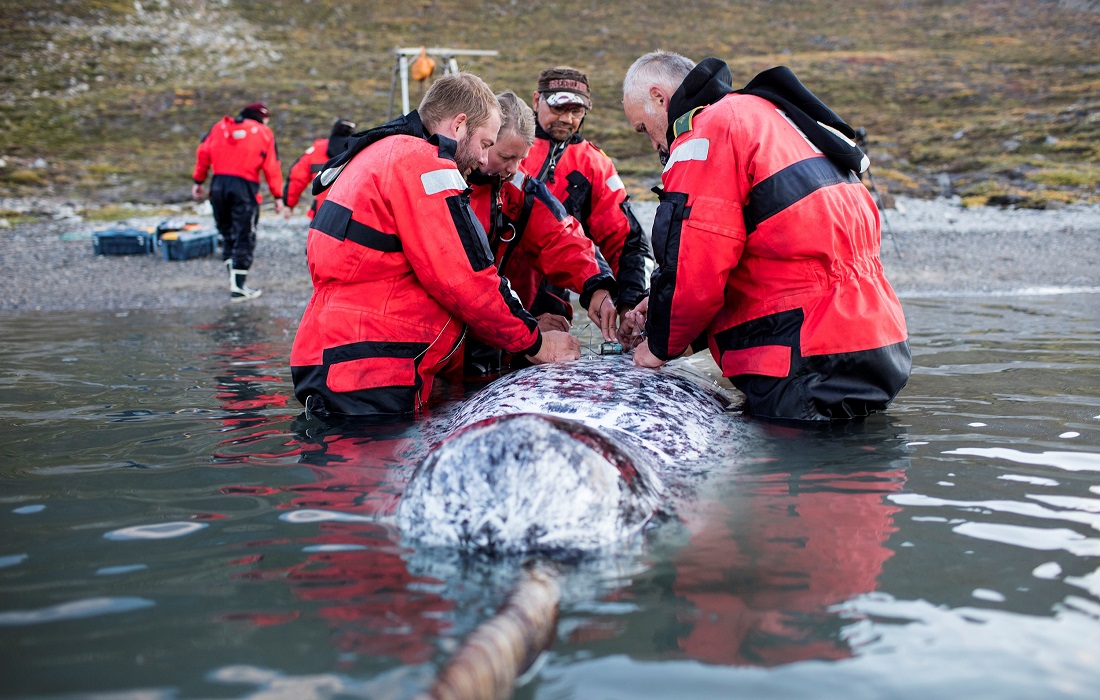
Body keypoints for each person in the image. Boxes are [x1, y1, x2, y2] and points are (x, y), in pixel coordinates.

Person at [620, 51, 911, 422]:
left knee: (800, 475)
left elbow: (696, 269)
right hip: (876, 338)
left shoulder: (707, 131)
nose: (655, 146)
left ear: (660, 98)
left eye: (644, 128)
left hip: (805, 356)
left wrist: (658, 347)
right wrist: (660, 309)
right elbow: (777, 251)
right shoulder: (774, 115)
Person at [290, 73, 581, 419]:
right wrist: (535, 343)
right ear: (459, 126)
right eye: (486, 145)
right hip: (372, 371)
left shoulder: (381, 151)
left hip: (336, 359)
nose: (484, 162)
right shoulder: (423, 165)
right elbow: (466, 279)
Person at [465, 91, 619, 374]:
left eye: (521, 159)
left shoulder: (518, 187)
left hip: (495, 335)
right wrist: (530, 332)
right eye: (505, 156)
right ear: (481, 140)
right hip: (447, 340)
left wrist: (597, 287)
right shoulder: (446, 187)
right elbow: (469, 282)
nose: (513, 168)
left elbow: (561, 237)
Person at [520, 66, 653, 321]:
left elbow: (627, 243)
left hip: (551, 310)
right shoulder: (508, 148)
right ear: (537, 101)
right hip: (494, 296)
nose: (567, 119)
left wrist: (630, 305)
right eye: (558, 108)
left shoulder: (595, 165)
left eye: (576, 111)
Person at [192, 101, 284, 301]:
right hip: (244, 187)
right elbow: (272, 167)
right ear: (261, 116)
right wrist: (278, 196)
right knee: (245, 234)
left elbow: (203, 153)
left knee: (227, 233)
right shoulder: (263, 132)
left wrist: (198, 181)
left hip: (218, 186)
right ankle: (239, 287)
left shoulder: (220, 127)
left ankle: (233, 281)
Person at [284, 118, 356, 219]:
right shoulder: (360, 150)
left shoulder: (317, 149)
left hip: (321, 214)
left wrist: (289, 204)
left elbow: (297, 176)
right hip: (350, 216)